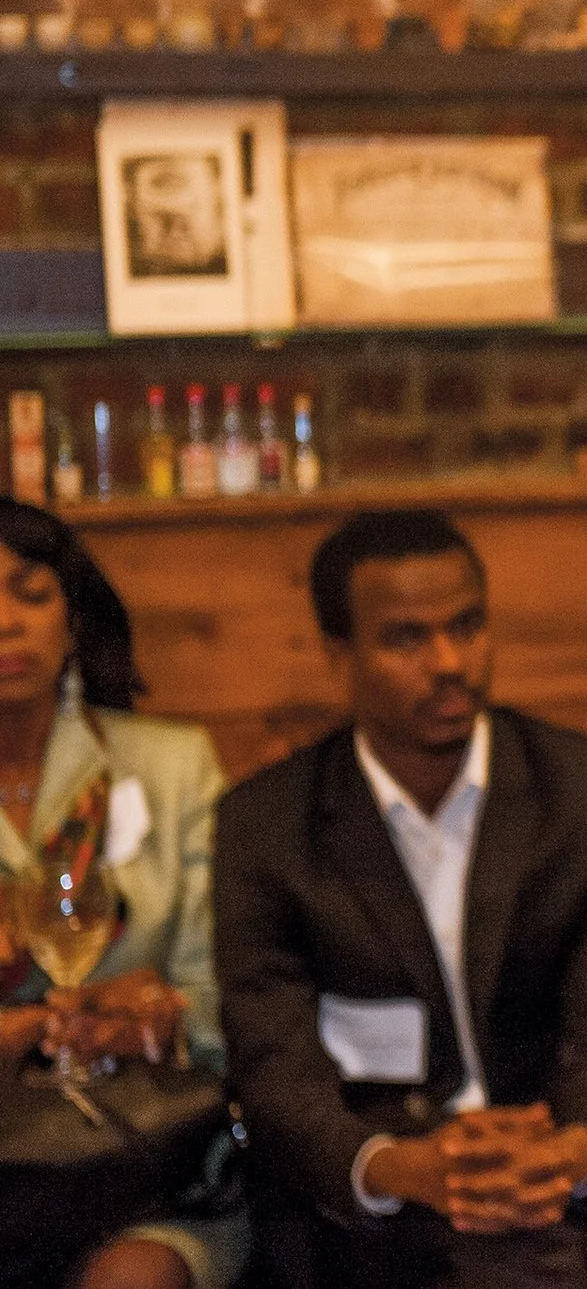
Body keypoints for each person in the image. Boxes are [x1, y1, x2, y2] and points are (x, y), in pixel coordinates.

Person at [213, 510, 587, 1289]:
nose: (450, 662)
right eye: (406, 639)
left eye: (467, 626)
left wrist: (574, 1151)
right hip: (371, 1182)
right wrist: (392, 1166)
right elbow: (274, 1065)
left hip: (547, 1161)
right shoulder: (269, 824)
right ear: (339, 655)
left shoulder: (586, 789)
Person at [0, 501, 239, 1289]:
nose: (5, 621)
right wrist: (33, 1027)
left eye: (30, 592)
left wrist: (162, 1019)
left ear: (72, 619)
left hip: (142, 1162)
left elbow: (228, 996)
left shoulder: (171, 768)